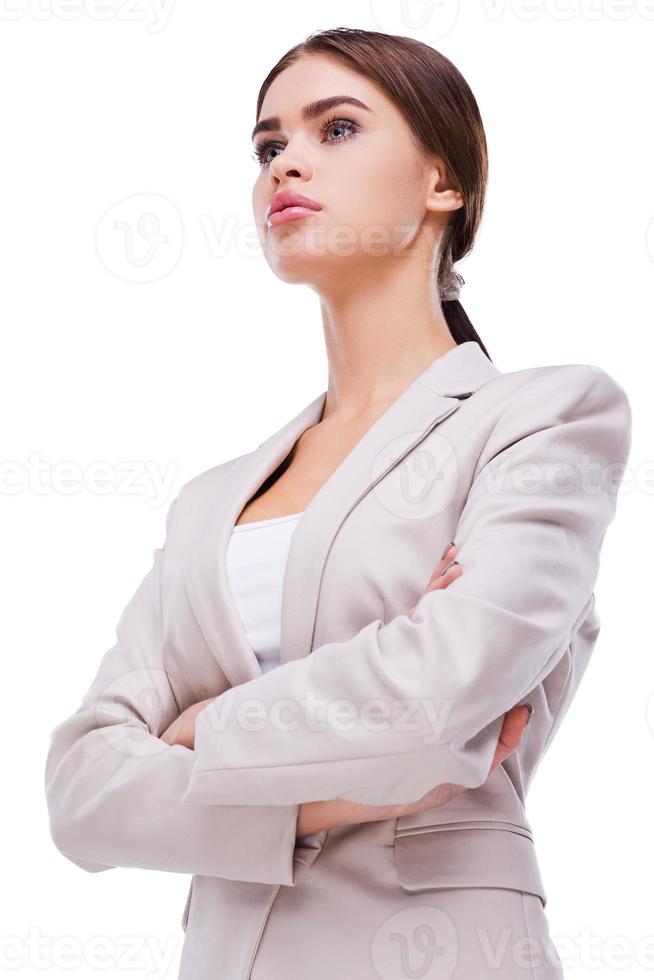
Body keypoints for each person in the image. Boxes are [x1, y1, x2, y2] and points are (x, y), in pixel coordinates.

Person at [45, 27, 631, 980]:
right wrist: (360, 782)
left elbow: (437, 692)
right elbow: (79, 795)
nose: (287, 165)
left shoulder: (545, 417)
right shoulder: (208, 504)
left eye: (338, 128)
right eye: (269, 146)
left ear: (444, 183)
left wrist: (195, 732)